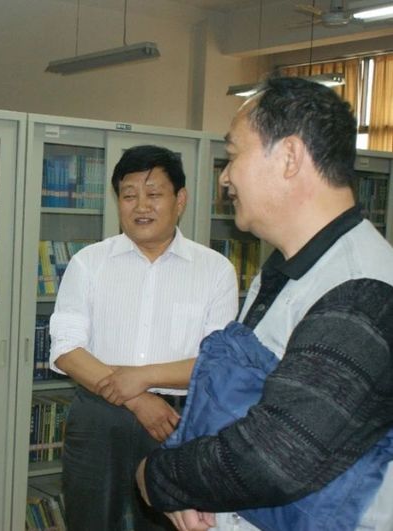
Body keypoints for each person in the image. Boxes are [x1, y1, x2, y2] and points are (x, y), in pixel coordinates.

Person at [136, 76, 393, 531]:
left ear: (289, 156)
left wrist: (156, 477)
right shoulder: (287, 268)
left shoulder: (361, 293)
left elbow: (274, 459)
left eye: (234, 155)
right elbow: (236, 400)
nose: (225, 177)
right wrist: (192, 485)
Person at [49, 145, 239, 530]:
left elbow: (218, 363)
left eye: (153, 194)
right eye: (129, 195)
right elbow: (67, 349)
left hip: (177, 420)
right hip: (98, 416)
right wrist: (137, 398)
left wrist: (144, 377)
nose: (141, 206)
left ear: (180, 200)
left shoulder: (215, 270)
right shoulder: (89, 263)